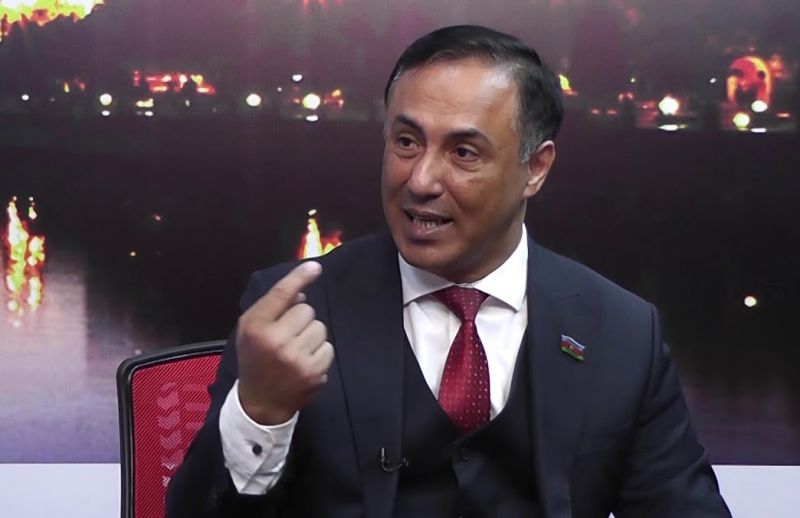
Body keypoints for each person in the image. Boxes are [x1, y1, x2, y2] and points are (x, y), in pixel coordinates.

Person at [167, 25, 730, 517]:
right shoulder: (293, 309)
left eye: (463, 153)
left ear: (535, 168)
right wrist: (260, 414)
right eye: (406, 142)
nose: (420, 180)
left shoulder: (622, 332)